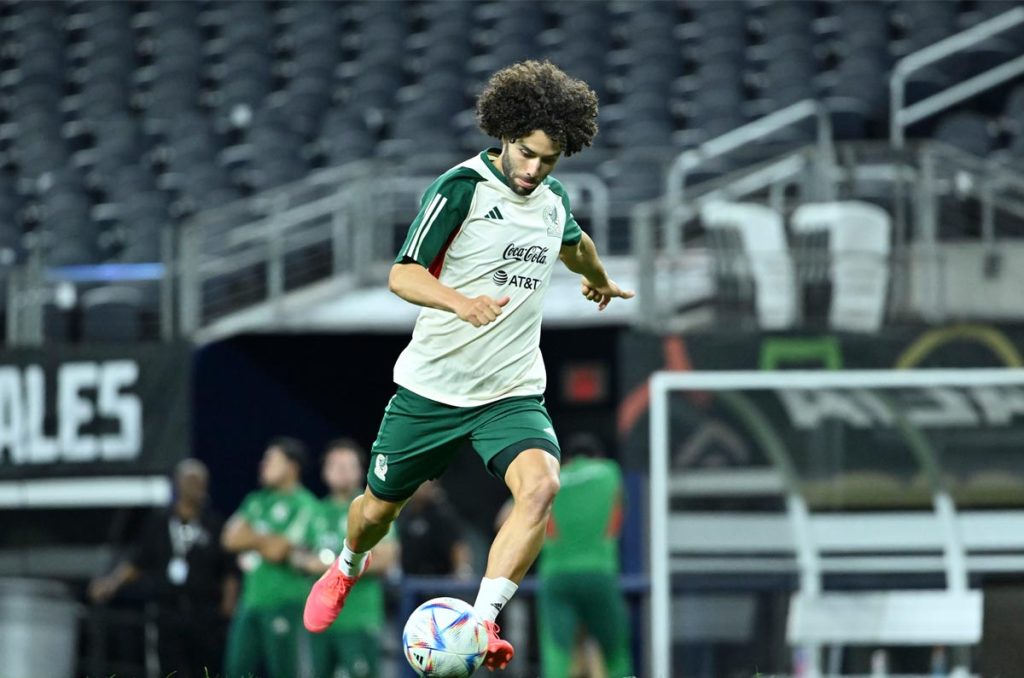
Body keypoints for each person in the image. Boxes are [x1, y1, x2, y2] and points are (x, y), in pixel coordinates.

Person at [303, 59, 632, 672]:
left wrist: (600, 280)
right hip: (432, 389)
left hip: (510, 391)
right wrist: (460, 302)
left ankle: (481, 622)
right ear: (505, 134)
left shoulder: (552, 200)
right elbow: (401, 274)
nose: (535, 170)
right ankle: (347, 564)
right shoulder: (461, 188)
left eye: (549, 160)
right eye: (527, 153)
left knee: (541, 489)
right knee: (376, 511)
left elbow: (576, 244)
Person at [88, 458, 237, 678]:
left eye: (200, 480)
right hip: (167, 611)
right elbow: (138, 562)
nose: (195, 485)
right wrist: (111, 583)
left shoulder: (215, 525)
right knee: (169, 670)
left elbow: (229, 571)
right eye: (190, 479)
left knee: (206, 669)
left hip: (205, 614)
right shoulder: (158, 523)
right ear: (177, 483)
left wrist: (228, 606)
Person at [291, 438, 399, 678]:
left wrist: (334, 566)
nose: (341, 471)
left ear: (360, 470)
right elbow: (296, 553)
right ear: (324, 471)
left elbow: (386, 559)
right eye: (335, 465)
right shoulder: (315, 510)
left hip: (359, 618)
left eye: (347, 465)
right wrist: (307, 562)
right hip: (320, 620)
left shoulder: (373, 507)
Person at [535, 433, 633, 678]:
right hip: (600, 571)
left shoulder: (550, 477)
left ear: (567, 459)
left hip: (556, 575)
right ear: (598, 456)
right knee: (615, 652)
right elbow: (619, 517)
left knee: (557, 652)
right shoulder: (610, 472)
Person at [221, 437, 318, 678]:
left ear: (292, 467)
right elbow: (228, 539)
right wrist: (268, 539)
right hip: (250, 601)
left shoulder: (305, 504)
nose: (263, 465)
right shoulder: (256, 500)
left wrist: (252, 537)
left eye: (271, 460)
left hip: (284, 601)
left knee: (284, 672)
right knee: (235, 671)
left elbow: (277, 552)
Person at [398, 480, 474, 579]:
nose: (425, 486)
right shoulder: (401, 513)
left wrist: (463, 571)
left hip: (439, 580)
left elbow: (458, 546)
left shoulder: (443, 513)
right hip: (408, 580)